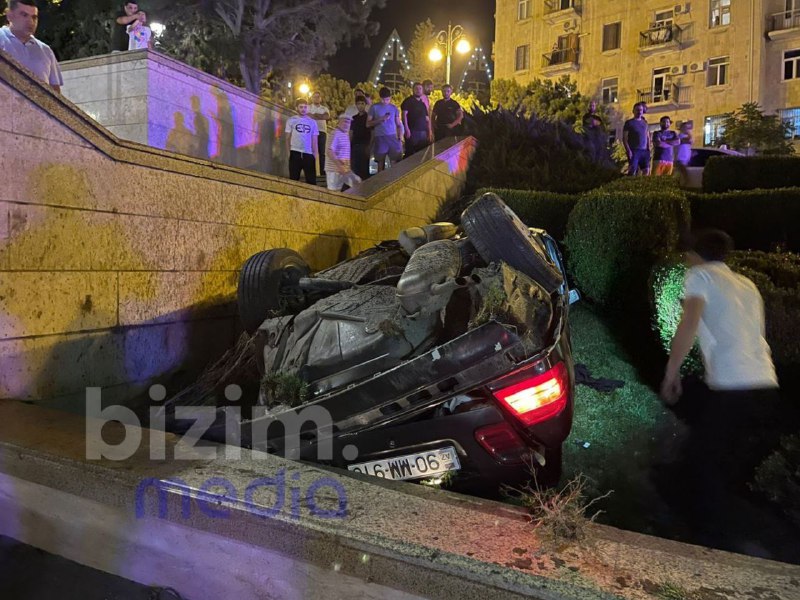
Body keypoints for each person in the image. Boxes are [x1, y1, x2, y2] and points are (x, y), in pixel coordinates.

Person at [661, 229, 780, 549]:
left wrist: (671, 372)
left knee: (705, 460)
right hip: (764, 383)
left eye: (687, 255)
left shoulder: (699, 277)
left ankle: (709, 537)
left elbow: (689, 323)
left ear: (695, 255)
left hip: (733, 385)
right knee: (722, 454)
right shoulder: (747, 285)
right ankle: (723, 521)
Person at [0, 0, 63, 93]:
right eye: (24, 15)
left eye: (34, 17)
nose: (30, 21)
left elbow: (55, 93)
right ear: (9, 15)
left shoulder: (45, 51)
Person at [366, 86, 403, 172]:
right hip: (380, 137)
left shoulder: (394, 108)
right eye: (383, 99)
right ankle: (381, 182)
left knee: (394, 161)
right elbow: (368, 124)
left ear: (390, 98)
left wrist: (400, 138)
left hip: (392, 137)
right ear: (380, 98)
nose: (385, 101)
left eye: (387, 99)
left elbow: (398, 124)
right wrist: (381, 119)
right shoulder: (374, 107)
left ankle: (394, 181)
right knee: (380, 162)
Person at [285, 97, 319, 185]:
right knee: (293, 180)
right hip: (295, 152)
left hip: (308, 153)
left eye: (305, 107)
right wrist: (289, 153)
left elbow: (314, 140)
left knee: (311, 181)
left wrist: (315, 155)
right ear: (296, 108)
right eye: (301, 107)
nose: (303, 109)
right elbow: (287, 138)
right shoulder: (291, 120)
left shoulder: (312, 122)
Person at [325, 113, 362, 192]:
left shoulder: (345, 134)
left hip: (344, 169)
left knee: (356, 182)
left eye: (348, 122)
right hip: (334, 169)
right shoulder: (335, 133)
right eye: (345, 122)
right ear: (339, 122)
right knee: (333, 192)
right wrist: (339, 165)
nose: (347, 124)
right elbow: (329, 151)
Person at [401, 82, 431, 158]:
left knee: (421, 154)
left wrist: (429, 131)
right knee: (410, 154)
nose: (418, 90)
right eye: (416, 88)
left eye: (420, 88)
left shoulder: (422, 104)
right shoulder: (408, 101)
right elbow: (404, 115)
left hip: (423, 132)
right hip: (412, 131)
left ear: (422, 90)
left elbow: (427, 119)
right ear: (413, 90)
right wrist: (406, 129)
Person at [622, 102, 651, 176]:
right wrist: (628, 150)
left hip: (644, 151)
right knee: (632, 170)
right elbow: (625, 138)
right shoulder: (629, 123)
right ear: (633, 111)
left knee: (646, 170)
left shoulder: (645, 123)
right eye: (637, 110)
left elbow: (647, 136)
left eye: (641, 110)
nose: (639, 112)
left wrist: (648, 149)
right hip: (634, 150)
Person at [307, 91, 330, 176]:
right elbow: (309, 115)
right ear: (312, 98)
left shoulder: (324, 108)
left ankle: (322, 173)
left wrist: (315, 115)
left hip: (322, 131)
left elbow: (326, 116)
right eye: (314, 97)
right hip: (312, 132)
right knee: (311, 151)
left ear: (320, 98)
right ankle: (311, 172)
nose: (316, 98)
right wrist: (320, 116)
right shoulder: (308, 107)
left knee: (322, 153)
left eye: (318, 97)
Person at [350, 95, 371, 181]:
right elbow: (351, 132)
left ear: (365, 105)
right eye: (358, 104)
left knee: (364, 169)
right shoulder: (354, 118)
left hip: (365, 145)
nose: (360, 106)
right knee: (355, 169)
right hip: (355, 145)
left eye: (362, 103)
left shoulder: (368, 117)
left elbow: (372, 132)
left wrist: (370, 146)